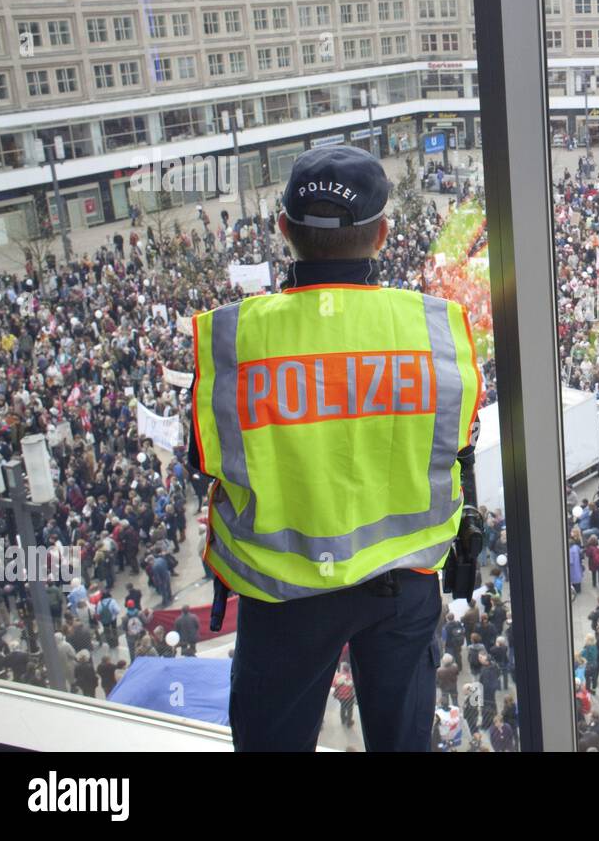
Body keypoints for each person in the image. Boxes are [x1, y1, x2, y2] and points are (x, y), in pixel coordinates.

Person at [190, 145, 483, 752]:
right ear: (382, 234)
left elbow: (208, 458)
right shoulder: (437, 328)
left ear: (282, 232)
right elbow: (457, 444)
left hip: (280, 595)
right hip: (401, 585)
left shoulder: (231, 336)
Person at [332, 663, 356, 729]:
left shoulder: (338, 676)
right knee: (349, 710)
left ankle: (343, 720)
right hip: (349, 697)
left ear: (342, 669)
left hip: (340, 697)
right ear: (349, 670)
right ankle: (349, 722)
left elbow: (333, 685)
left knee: (342, 707)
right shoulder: (351, 677)